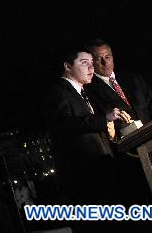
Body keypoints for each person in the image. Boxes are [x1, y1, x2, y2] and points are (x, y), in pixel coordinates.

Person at [46, 47, 126, 205]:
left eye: (91, 63)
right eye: (84, 63)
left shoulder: (82, 93)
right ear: (68, 66)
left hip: (102, 173)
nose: (91, 68)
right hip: (84, 178)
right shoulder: (59, 92)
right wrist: (103, 119)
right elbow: (64, 126)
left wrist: (110, 127)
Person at [84, 39, 152, 127]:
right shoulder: (89, 90)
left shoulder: (133, 78)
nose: (105, 63)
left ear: (112, 57)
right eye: (98, 59)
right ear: (91, 63)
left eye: (107, 57)